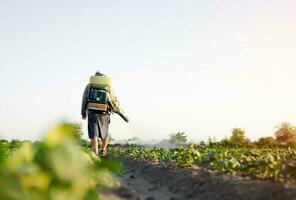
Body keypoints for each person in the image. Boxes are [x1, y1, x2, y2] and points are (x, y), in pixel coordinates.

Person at [81, 71, 120, 157]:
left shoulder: (89, 85)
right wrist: (115, 108)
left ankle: (95, 152)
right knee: (105, 132)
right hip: (105, 113)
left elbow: (84, 99)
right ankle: (103, 150)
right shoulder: (108, 86)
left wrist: (83, 113)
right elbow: (114, 100)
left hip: (92, 112)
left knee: (94, 134)